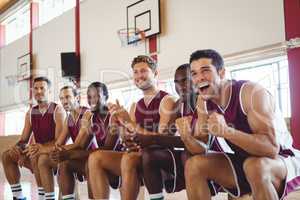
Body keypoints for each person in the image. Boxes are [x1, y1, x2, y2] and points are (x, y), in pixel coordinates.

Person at [180, 49, 300, 200]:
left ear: (222, 73)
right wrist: (186, 137)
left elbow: (271, 148)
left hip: (282, 160)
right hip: (243, 159)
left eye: (205, 71)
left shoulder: (251, 92)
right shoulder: (203, 101)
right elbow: (201, 148)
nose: (198, 78)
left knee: (254, 166)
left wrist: (227, 132)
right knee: (194, 165)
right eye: (194, 73)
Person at [88, 55, 177, 200]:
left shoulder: (167, 100)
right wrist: (119, 124)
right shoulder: (135, 105)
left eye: (143, 71)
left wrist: (128, 122)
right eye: (135, 72)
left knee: (129, 159)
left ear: (155, 74)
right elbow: (128, 138)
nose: (138, 75)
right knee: (95, 157)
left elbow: (161, 139)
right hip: (137, 155)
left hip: (158, 158)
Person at [50, 81, 119, 200]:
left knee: (92, 161)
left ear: (106, 97)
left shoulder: (114, 115)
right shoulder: (91, 118)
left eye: (96, 96)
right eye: (89, 97)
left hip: (117, 160)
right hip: (98, 159)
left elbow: (108, 148)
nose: (92, 100)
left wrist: (70, 153)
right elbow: (81, 145)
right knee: (64, 163)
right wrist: (62, 153)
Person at [1, 76, 66, 200]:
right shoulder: (31, 113)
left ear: (50, 92)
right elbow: (23, 139)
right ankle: (18, 196)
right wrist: (17, 148)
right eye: (36, 88)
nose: (39, 91)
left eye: (42, 88)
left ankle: (45, 197)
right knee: (6, 155)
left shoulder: (58, 110)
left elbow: (59, 142)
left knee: (36, 154)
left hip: (57, 156)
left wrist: (40, 148)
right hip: (38, 153)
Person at [140, 63, 197, 200]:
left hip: (209, 154)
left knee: (187, 155)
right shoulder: (179, 105)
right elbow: (166, 135)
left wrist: (153, 139)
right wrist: (138, 141)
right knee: (148, 155)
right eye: (177, 82)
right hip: (189, 154)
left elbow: (198, 143)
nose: (180, 86)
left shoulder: (205, 101)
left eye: (185, 80)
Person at [37, 86, 88, 200]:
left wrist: (44, 149)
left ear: (77, 97)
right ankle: (49, 197)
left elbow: (79, 144)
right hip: (75, 155)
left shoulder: (86, 114)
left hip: (88, 155)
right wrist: (40, 149)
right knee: (43, 159)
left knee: (63, 162)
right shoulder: (69, 119)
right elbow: (58, 144)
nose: (64, 101)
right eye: (61, 98)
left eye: (68, 97)